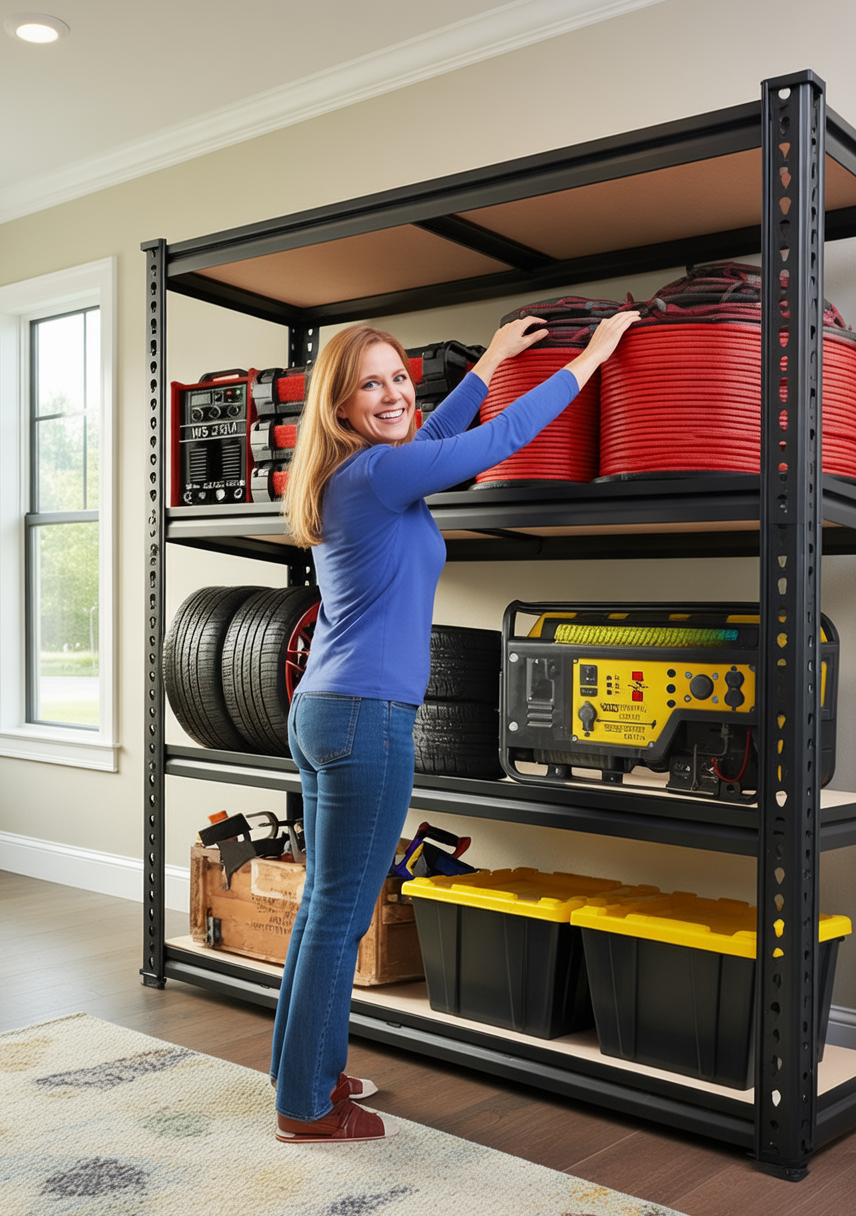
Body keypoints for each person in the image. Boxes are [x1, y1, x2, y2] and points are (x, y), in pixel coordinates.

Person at [271, 310, 640, 1144]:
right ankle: (306, 1105)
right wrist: (593, 356)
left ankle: (304, 1073)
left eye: (400, 377)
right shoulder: (376, 475)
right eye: (370, 383)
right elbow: (494, 441)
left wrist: (493, 358)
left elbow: (435, 436)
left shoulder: (356, 472)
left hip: (325, 710)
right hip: (366, 718)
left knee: (324, 909)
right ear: (339, 403)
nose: (394, 394)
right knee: (341, 916)